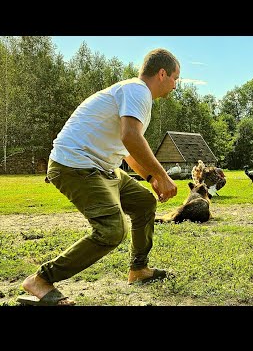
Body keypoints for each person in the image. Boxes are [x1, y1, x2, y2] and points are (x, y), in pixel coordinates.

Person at [18, 48, 180, 306]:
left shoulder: (134, 95)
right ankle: (40, 280)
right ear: (162, 73)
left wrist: (151, 178)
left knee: (143, 202)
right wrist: (163, 174)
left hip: (101, 167)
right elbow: (131, 137)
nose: (175, 85)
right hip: (75, 165)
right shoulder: (138, 91)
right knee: (112, 230)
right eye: (175, 78)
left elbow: (128, 151)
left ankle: (138, 270)